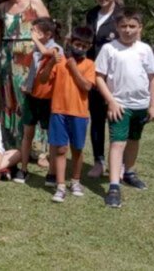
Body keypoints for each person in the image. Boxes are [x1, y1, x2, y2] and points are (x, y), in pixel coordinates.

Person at [94, 10, 154, 209]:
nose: (127, 30)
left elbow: (153, 77)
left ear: (140, 28)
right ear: (117, 27)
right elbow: (98, 77)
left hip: (141, 105)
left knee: (133, 140)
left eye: (132, 26)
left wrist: (153, 105)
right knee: (117, 143)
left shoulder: (145, 49)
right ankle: (114, 186)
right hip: (119, 106)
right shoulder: (109, 49)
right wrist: (111, 102)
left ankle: (129, 172)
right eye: (123, 26)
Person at [40, 26, 96, 202]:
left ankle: (76, 180)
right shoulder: (60, 61)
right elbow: (43, 79)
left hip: (79, 113)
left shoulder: (89, 65)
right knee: (61, 149)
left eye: (84, 46)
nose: (80, 48)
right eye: (77, 44)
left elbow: (86, 86)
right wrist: (50, 62)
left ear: (89, 47)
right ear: (71, 43)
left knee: (77, 149)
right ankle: (61, 185)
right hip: (59, 111)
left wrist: (73, 68)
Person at [0, 0, 50, 150]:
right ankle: (14, 142)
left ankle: (38, 148)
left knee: (30, 99)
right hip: (7, 58)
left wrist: (44, 53)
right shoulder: (3, 7)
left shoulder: (34, 2)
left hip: (30, 57)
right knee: (9, 98)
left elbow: (48, 28)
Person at [14, 17, 61, 186]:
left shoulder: (56, 47)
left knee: (52, 137)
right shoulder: (35, 48)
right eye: (32, 31)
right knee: (27, 134)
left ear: (48, 34)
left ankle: (52, 172)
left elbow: (49, 54)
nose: (33, 34)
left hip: (48, 100)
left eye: (37, 32)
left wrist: (34, 40)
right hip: (31, 97)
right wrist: (26, 85)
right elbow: (32, 69)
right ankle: (24, 168)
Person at [86, 0, 125, 178]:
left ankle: (121, 165)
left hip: (116, 75)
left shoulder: (122, 15)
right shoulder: (91, 14)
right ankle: (99, 161)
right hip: (94, 75)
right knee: (97, 119)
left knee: (117, 120)